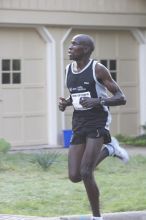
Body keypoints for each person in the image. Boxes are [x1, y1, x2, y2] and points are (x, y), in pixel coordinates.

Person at [58, 34, 128, 220]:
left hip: (98, 121)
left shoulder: (98, 69)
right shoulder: (68, 70)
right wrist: (66, 103)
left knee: (86, 172)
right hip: (79, 122)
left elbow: (121, 97)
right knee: (74, 175)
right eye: (70, 44)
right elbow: (77, 96)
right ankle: (111, 149)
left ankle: (97, 217)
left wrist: (98, 100)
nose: (70, 47)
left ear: (86, 49)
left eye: (75, 44)